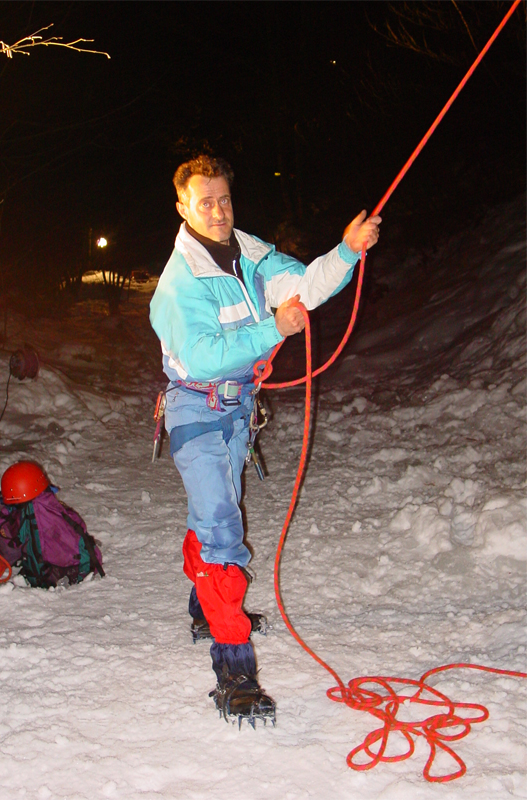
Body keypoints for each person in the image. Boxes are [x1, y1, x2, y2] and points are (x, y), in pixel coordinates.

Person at [149, 155, 380, 726]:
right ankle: (235, 670)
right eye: (205, 201)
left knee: (214, 515)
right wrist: (271, 329)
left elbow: (302, 285)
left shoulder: (249, 252)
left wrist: (347, 250)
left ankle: (203, 605)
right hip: (195, 411)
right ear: (183, 208)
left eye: (224, 198)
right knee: (224, 531)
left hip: (236, 410)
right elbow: (202, 356)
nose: (219, 210)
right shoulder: (179, 284)